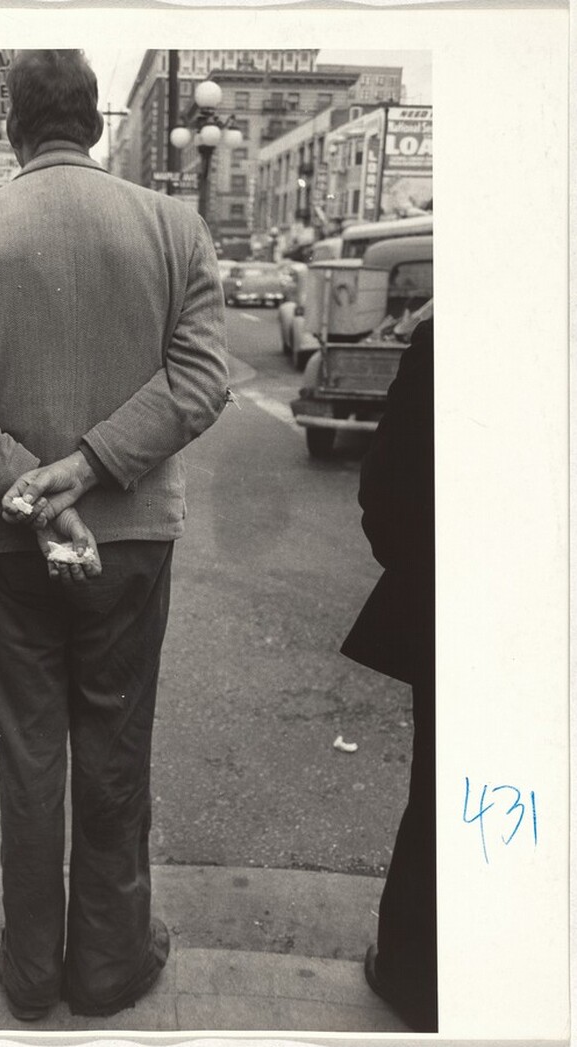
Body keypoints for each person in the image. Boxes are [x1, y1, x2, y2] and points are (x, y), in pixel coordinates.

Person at [0, 50, 229, 1023]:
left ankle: (33, 965)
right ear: (93, 121)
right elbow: (203, 379)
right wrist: (89, 470)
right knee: (116, 745)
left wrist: (31, 488)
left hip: (3, 549)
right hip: (131, 536)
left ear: (10, 123)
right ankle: (109, 962)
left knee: (30, 753)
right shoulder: (175, 228)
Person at [340, 317, 436, 1032]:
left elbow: (390, 489)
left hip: (470, 601)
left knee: (444, 792)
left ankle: (418, 973)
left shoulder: (456, 333)